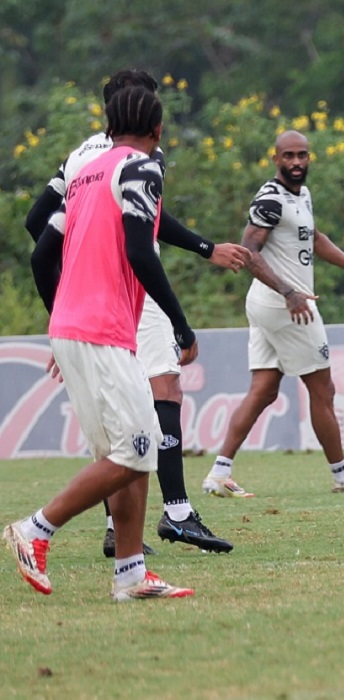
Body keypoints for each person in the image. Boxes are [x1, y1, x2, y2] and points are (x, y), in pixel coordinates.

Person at [28, 68, 246, 556]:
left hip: (77, 309)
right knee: (155, 406)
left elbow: (36, 228)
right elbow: (143, 231)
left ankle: (125, 551)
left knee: (116, 436)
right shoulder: (142, 158)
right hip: (121, 298)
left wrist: (66, 295)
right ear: (150, 117)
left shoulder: (82, 159)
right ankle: (175, 514)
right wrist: (204, 253)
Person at [6, 85, 195, 601]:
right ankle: (35, 529)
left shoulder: (85, 169)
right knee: (139, 449)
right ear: (156, 132)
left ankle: (131, 574)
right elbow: (140, 248)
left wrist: (61, 316)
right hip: (104, 328)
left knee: (128, 449)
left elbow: (42, 249)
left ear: (108, 127)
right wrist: (180, 323)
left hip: (72, 325)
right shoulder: (143, 166)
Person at [201, 130, 344, 498]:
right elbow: (248, 252)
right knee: (323, 390)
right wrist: (289, 293)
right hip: (287, 306)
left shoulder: (301, 194)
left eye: (302, 155)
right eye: (288, 156)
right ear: (276, 160)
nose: (296, 163)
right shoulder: (270, 199)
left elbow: (314, 238)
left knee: (263, 390)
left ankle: (218, 474)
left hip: (270, 305)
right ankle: (343, 475)